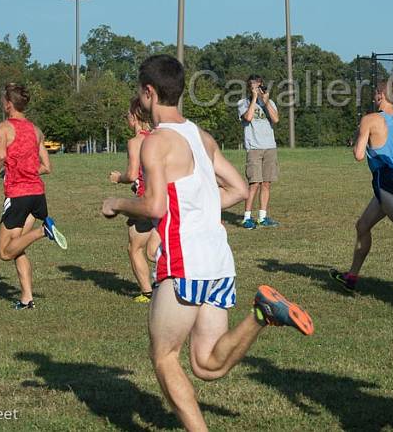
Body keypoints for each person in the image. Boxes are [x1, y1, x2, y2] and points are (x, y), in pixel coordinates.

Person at [102, 55, 312, 432]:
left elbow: (154, 206)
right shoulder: (201, 136)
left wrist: (116, 204)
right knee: (206, 365)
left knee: (165, 356)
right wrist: (199, 204)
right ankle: (262, 314)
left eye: (139, 90)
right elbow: (237, 189)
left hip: (184, 260)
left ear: (148, 93)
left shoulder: (156, 143)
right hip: (218, 260)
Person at [330, 79, 393, 292]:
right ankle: (352, 277)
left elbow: (358, 155)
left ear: (381, 94)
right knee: (362, 226)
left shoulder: (369, 119)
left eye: (376, 92)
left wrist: (359, 139)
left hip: (387, 183)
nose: (374, 96)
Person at [0, 82, 66, 310]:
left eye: (3, 100)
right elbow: (47, 167)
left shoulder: (2, 128)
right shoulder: (36, 130)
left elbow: (1, 155)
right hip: (37, 196)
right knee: (17, 248)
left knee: (4, 252)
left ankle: (44, 230)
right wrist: (26, 169)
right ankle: (27, 298)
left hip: (19, 195)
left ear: (8, 104)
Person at [109, 96, 160, 303]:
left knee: (140, 250)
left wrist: (117, 178)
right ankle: (157, 288)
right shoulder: (158, 137)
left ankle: (149, 292)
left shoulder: (135, 142)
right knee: (150, 250)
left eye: (127, 116)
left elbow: (131, 175)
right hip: (165, 198)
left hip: (145, 202)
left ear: (133, 118)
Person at [237, 74, 281, 229]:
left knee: (266, 183)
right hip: (254, 148)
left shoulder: (270, 103)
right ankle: (247, 217)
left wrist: (266, 101)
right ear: (249, 87)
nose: (256, 88)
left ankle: (262, 217)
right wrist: (255, 99)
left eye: (258, 85)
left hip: (269, 146)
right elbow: (248, 118)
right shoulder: (243, 103)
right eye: (253, 85)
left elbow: (275, 120)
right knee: (254, 183)